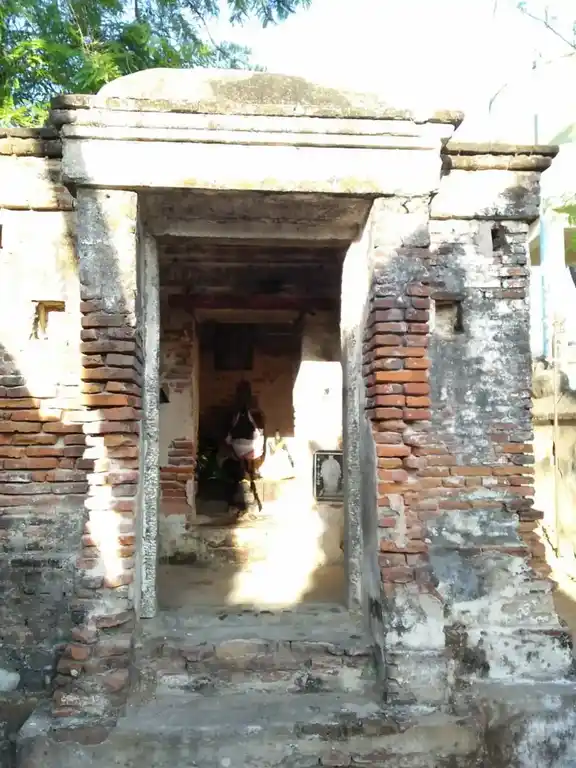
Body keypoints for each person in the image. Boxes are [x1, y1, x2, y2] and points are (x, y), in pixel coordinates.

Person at [225, 382, 266, 511]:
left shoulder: (243, 414)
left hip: (243, 445)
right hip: (247, 445)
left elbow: (229, 438)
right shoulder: (250, 414)